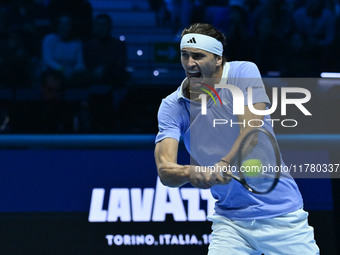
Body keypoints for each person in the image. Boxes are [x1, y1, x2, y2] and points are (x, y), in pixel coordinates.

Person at [154, 23, 319, 254]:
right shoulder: (172, 106)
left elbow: (251, 132)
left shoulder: (243, 72)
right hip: (230, 222)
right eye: (185, 55)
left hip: (282, 217)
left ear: (218, 58)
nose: (190, 63)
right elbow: (165, 171)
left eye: (198, 56)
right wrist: (191, 173)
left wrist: (222, 164)